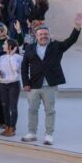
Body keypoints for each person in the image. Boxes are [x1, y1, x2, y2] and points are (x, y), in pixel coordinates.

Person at [20, 13, 82, 146]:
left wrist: (77, 28)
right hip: (34, 85)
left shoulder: (57, 46)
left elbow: (70, 40)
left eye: (45, 34)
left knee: (50, 111)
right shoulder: (29, 48)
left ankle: (49, 134)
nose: (43, 36)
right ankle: (32, 133)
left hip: (50, 85)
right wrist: (25, 82)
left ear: (49, 35)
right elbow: (24, 67)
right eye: (41, 34)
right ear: (36, 36)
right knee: (32, 110)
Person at [0, 39, 23, 138]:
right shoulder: (2, 57)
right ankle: (7, 126)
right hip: (3, 84)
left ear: (10, 46)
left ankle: (12, 127)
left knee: (13, 107)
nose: (3, 46)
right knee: (4, 106)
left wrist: (11, 56)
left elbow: (16, 68)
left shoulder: (18, 57)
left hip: (13, 84)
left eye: (5, 44)